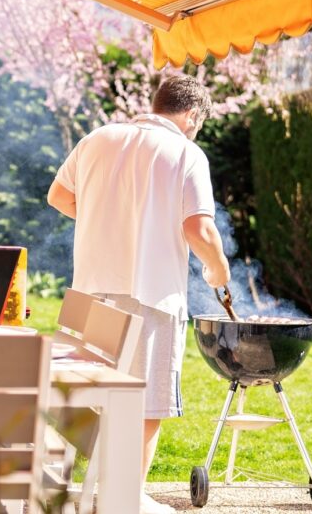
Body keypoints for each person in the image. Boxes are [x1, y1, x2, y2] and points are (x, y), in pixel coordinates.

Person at [47, 75, 230, 514]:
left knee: (86, 396)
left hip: (89, 293)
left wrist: (106, 219)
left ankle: (89, 489)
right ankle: (124, 500)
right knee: (145, 404)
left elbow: (58, 196)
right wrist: (218, 269)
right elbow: (199, 228)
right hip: (149, 295)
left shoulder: (97, 138)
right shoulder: (186, 152)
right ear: (192, 115)